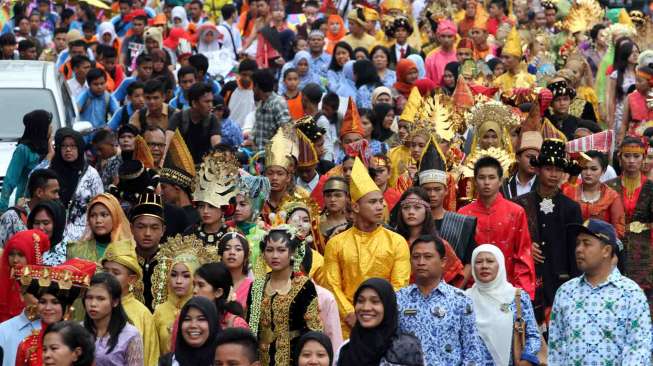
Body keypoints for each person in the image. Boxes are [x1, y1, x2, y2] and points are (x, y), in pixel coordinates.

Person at [324, 158, 410, 337]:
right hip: (346, 326)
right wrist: (350, 314)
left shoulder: (397, 242)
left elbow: (400, 286)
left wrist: (375, 314)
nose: (380, 207)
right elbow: (332, 284)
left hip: (384, 323)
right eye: (372, 202)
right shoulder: (336, 243)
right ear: (355, 206)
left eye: (381, 201)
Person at [548, 219, 652, 364]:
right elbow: (556, 349)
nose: (578, 249)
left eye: (586, 243)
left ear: (606, 250)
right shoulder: (565, 292)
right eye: (577, 243)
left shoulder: (631, 294)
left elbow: (639, 349)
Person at [515, 139, 584, 324]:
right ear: (538, 169)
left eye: (558, 170)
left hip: (560, 282)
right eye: (548, 168)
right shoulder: (520, 204)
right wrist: (526, 247)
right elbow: (512, 242)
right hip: (527, 281)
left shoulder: (571, 208)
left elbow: (575, 251)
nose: (554, 174)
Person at [396, 235, 485, 365]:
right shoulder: (398, 299)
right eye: (416, 257)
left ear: (443, 262)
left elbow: (472, 351)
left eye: (428, 257)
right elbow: (390, 347)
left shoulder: (460, 300)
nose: (421, 262)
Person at [458, 156, 536, 298]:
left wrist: (521, 294)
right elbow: (459, 259)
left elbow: (523, 254)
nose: (486, 183)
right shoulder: (463, 214)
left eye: (491, 177)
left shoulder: (516, 212)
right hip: (472, 290)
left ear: (500, 181)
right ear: (475, 181)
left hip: (508, 287)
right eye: (482, 178)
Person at [246, 227, 322, 366]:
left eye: (281, 250)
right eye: (269, 250)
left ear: (292, 252)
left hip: (295, 358)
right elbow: (251, 328)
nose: (275, 256)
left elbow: (313, 330)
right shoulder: (257, 286)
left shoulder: (304, 286)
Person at [467, 244, 541, 365]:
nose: (484, 266)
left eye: (490, 261)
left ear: (500, 265)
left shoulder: (517, 297)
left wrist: (526, 359)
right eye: (479, 262)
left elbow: (533, 335)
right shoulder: (465, 299)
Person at [14, 258, 96, 366]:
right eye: (42, 302)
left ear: (66, 307)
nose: (48, 307)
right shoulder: (27, 344)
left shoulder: (80, 342)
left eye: (55, 302)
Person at [606, 137, 653, 310]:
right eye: (627, 156)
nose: (631, 161)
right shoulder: (608, 187)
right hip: (613, 252)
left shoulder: (650, 188)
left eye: (636, 156)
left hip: (646, 256)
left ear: (644, 158)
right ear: (619, 158)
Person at [336, 278, 424, 365]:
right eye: (360, 301)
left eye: (375, 301)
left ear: (387, 306)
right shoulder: (346, 348)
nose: (366, 308)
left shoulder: (406, 347)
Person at [101, 238, 160, 365]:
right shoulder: (95, 306)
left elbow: (151, 358)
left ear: (131, 279)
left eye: (116, 273)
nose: (108, 277)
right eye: (105, 271)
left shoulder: (142, 314)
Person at [393, 187, 465, 287]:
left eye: (417, 207)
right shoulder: (393, 242)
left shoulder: (439, 244)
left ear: (427, 210)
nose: (411, 212)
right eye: (406, 207)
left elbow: (456, 278)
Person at [84, 272, 144, 365]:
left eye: (100, 299)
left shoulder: (130, 335)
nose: (93, 304)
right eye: (89, 297)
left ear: (115, 302)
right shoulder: (79, 330)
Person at [562, 150, 625, 237]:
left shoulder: (612, 196)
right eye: (584, 168)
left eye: (594, 169)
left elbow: (618, 230)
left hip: (599, 246)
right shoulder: (568, 191)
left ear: (603, 171)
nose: (588, 173)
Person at [0, 110, 52, 212]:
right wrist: (2, 210)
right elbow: (10, 181)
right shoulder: (23, 150)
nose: (51, 128)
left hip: (49, 207)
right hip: (27, 207)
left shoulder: (50, 148)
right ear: (40, 127)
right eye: (49, 125)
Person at [0, 168, 60, 247]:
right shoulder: (11, 217)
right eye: (54, 192)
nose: (57, 197)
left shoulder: (56, 215)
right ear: (39, 192)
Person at [0, 230, 50, 322]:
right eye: (11, 254)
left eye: (21, 255)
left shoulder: (46, 284)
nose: (15, 260)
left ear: (32, 256)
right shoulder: (4, 281)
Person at [166, 82, 221, 164]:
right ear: (194, 103)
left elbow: (216, 143)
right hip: (180, 166)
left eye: (211, 101)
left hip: (203, 168)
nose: (211, 105)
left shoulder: (213, 120)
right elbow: (168, 142)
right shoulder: (178, 117)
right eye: (206, 102)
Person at [159, 297, 220, 366]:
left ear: (212, 324)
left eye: (201, 319)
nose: (193, 325)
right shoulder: (168, 362)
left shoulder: (224, 361)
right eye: (187, 319)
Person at [251, 69, 291, 151]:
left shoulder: (278, 104)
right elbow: (256, 135)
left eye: (253, 86)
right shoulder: (260, 105)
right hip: (259, 158)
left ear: (257, 86)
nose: (252, 90)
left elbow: (287, 135)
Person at [502, 131, 542, 199]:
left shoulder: (544, 187)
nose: (534, 161)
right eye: (529, 157)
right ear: (518, 158)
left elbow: (547, 209)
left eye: (538, 158)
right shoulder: (504, 186)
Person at [29, 200, 66, 266]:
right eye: (36, 223)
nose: (41, 227)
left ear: (57, 224)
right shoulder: (26, 247)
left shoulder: (69, 250)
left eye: (46, 223)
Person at [425, 20, 457, 87]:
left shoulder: (461, 54)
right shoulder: (430, 57)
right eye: (443, 36)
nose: (446, 40)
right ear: (438, 37)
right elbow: (428, 81)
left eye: (449, 36)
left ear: (455, 38)